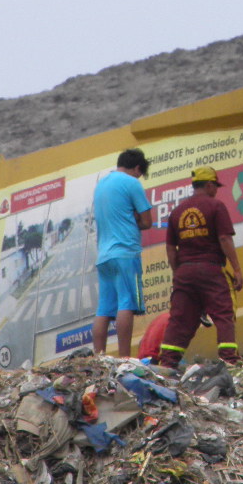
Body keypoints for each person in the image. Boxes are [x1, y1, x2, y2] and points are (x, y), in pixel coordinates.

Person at [158, 165, 243, 368]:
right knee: (224, 314)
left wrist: (179, 273)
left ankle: (166, 365)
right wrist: (237, 269)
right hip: (211, 269)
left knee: (180, 320)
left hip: (184, 271)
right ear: (208, 184)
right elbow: (224, 239)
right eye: (215, 186)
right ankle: (229, 361)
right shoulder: (216, 206)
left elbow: (171, 248)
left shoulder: (177, 212)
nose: (216, 190)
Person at [92, 147, 153, 357]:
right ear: (137, 168)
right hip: (126, 253)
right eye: (140, 173)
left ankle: (99, 357)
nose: (139, 177)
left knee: (104, 310)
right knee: (127, 303)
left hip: (104, 256)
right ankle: (125, 358)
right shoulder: (131, 183)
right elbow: (147, 222)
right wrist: (134, 217)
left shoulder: (101, 185)